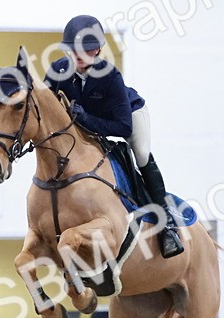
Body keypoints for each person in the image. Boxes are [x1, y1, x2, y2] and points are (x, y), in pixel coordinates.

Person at [43, 15, 183, 259]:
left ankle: (167, 225)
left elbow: (123, 127)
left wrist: (85, 119)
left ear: (97, 50)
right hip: (85, 126)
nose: (77, 56)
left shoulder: (110, 77)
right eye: (73, 50)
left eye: (84, 51)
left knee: (140, 155)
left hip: (128, 115)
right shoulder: (57, 71)